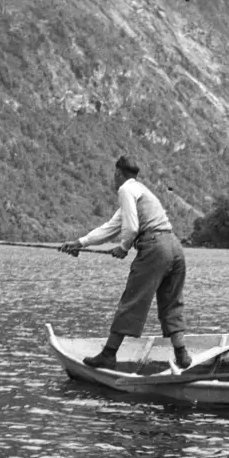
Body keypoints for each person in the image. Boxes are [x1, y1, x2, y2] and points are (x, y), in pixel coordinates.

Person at [58, 156, 192, 370]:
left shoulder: (125, 190)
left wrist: (123, 247)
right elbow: (112, 226)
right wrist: (80, 243)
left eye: (114, 175)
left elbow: (130, 228)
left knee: (132, 299)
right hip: (174, 246)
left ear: (118, 173)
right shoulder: (141, 191)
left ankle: (109, 354)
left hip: (155, 246)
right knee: (170, 301)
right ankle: (182, 354)